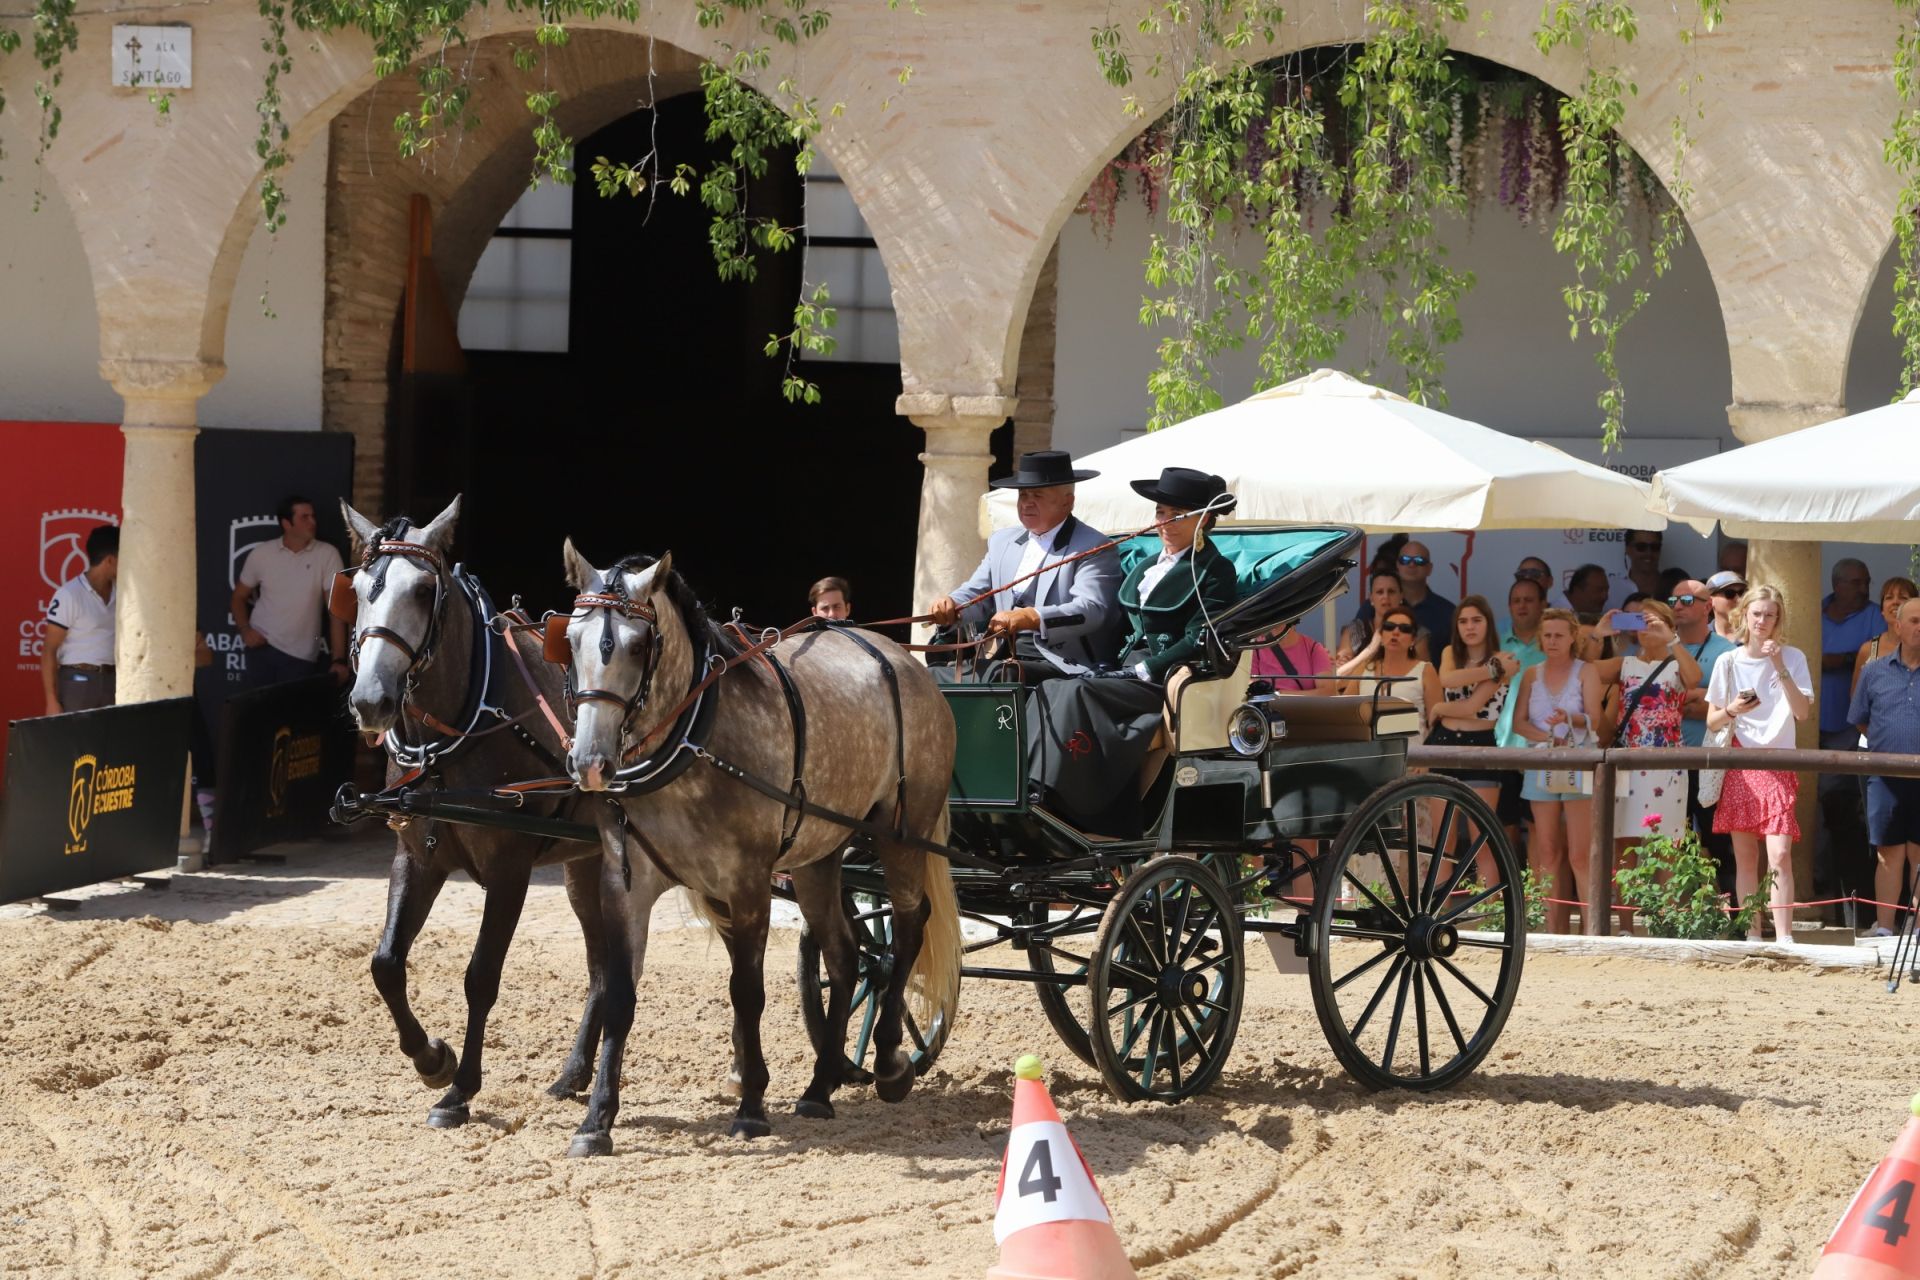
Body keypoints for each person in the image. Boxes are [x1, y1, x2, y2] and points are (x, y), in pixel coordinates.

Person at [1026, 467, 1237, 836]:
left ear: (1203, 520)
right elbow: (1119, 628)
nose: (1165, 523)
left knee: (1077, 691)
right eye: (1160, 512)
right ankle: (1025, 779)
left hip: (1162, 678)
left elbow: (1198, 638)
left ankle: (1061, 795)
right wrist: (1099, 664)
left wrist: (1145, 669)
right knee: (1051, 686)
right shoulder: (1144, 567)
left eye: (1177, 515)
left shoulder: (1215, 571)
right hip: (1120, 672)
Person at [926, 450, 1121, 685]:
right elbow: (978, 593)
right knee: (930, 677)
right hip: (1002, 653)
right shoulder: (1002, 542)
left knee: (1002, 675)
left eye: (1037, 495)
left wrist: (1032, 617)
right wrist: (951, 604)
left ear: (1067, 501)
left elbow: (1092, 609)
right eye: (1023, 494)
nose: (1027, 502)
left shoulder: (1094, 546)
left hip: (1062, 661)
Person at [1707, 585, 1815, 944]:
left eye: (1770, 614)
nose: (1762, 621)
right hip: (1741, 761)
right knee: (1746, 856)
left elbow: (1802, 712)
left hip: (1779, 762)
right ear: (1744, 615)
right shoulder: (1728, 661)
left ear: (1778, 618)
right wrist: (1733, 709)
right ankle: (1752, 933)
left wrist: (1779, 665)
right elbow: (1712, 721)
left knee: (1780, 853)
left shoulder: (1793, 657)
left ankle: (1784, 936)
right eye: (1757, 613)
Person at [1590, 601, 1700, 871]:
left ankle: (1664, 902)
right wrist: (1597, 635)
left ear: (1669, 627)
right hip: (1628, 761)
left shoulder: (1677, 664)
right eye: (1641, 622)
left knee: (1666, 846)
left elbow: (1694, 678)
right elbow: (1583, 672)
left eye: (1653, 623)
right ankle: (1624, 901)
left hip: (1668, 764)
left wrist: (1671, 639)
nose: (1646, 629)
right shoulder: (1625, 664)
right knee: (1624, 844)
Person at [1512, 608, 1603, 934]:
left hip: (1578, 762)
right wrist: (1548, 737)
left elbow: (1596, 719)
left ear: (1572, 637)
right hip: (1541, 763)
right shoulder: (1531, 674)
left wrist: (1569, 719)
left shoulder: (1586, 671)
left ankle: (1592, 931)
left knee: (1580, 853)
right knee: (1547, 851)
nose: (1552, 641)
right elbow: (1519, 722)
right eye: (1547, 635)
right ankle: (1553, 931)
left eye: (1559, 635)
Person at [1427, 595, 1516, 884]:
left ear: (1488, 623)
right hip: (1444, 743)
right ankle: (1437, 907)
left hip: (1480, 744)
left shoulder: (1505, 659)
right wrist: (1490, 670)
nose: (1470, 627)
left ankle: (1490, 909)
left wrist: (1440, 708)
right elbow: (1447, 680)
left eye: (1477, 620)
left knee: (1483, 841)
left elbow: (1472, 707)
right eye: (1463, 621)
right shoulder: (1450, 653)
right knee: (1442, 841)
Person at [1848, 597, 1920, 936]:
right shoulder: (1874, 671)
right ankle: (1886, 929)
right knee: (1887, 853)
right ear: (1898, 627)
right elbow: (1861, 720)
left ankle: (1918, 931)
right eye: (1915, 621)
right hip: (1885, 775)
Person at [1816, 558, 1884, 913]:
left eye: (1866, 581)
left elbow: (1877, 656)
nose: (1864, 588)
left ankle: (1839, 895)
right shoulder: (1816, 612)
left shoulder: (1873, 616)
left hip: (1848, 729)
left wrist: (1841, 660)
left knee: (1837, 810)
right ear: (1837, 584)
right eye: (1856, 582)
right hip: (1811, 727)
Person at [231, 495, 349, 690]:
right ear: (287, 523)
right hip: (261, 649)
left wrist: (339, 659)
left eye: (313, 516)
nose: (313, 522)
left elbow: (335, 611)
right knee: (257, 709)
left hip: (300, 656)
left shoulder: (327, 554)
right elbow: (238, 597)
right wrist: (245, 631)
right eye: (304, 517)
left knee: (291, 710)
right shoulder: (262, 554)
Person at [1669, 578, 1739, 889]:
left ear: (1707, 606)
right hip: (1667, 762)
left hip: (1710, 761)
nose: (1678, 606)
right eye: (1673, 601)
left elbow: (1731, 706)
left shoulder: (1727, 651)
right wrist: (1697, 697)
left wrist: (1697, 701)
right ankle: (1683, 909)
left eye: (1687, 600)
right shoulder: (1660, 648)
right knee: (1674, 842)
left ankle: (1734, 909)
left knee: (1719, 840)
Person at [40, 523, 119, 714]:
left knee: (111, 735)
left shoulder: (123, 592)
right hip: (78, 682)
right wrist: (51, 701)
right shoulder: (69, 594)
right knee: (74, 735)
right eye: (123, 557)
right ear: (110, 560)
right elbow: (49, 649)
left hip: (114, 682)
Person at [1339, 604, 1440, 724]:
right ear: (1381, 636)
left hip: (1411, 736)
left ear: (1413, 640)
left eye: (1404, 629)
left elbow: (1436, 719)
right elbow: (1344, 710)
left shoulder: (1426, 670)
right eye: (1389, 627)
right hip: (1369, 736)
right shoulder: (1364, 668)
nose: (1396, 632)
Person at [1338, 569, 1431, 665]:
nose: (1386, 596)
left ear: (1401, 596)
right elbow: (1342, 668)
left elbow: (1422, 671)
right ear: (1371, 598)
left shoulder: (1417, 634)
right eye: (1379, 592)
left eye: (1391, 591)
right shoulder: (1354, 630)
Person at [1852, 577, 1917, 710]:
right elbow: (1857, 702)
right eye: (1889, 597)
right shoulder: (1868, 650)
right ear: (1882, 610)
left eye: (1903, 597)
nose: (1895, 602)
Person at [1395, 538, 1454, 643]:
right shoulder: (1377, 607)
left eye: (1419, 560)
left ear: (1429, 568)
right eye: (1405, 559)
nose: (1411, 564)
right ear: (1397, 566)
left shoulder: (1448, 612)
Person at [1250, 619, 1333, 691]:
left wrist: (1281, 694)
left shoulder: (1314, 649)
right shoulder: (1255, 649)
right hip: (1267, 705)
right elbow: (1250, 689)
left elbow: (1327, 691)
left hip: (1303, 706)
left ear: (1293, 620)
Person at [1620, 530, 1664, 604]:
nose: (1648, 553)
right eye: (1641, 547)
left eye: (1654, 547)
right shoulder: (1612, 588)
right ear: (1628, 549)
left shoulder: (1672, 587)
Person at [1707, 569, 1746, 642]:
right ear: (1710, 601)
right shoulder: (1701, 636)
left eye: (1742, 593)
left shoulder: (1754, 634)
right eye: (1730, 593)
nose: (1738, 599)